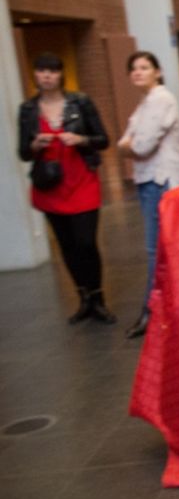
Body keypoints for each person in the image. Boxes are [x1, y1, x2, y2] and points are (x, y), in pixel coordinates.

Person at [16, 52, 116, 324]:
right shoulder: (28, 109)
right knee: (67, 245)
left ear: (61, 75)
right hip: (49, 185)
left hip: (81, 180)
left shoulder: (80, 102)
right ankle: (83, 297)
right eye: (41, 70)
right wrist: (35, 145)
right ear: (35, 75)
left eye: (52, 71)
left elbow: (102, 140)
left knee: (86, 242)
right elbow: (23, 152)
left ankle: (98, 297)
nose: (47, 76)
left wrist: (81, 138)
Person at [117, 51, 179, 339]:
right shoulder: (145, 103)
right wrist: (128, 143)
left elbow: (140, 145)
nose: (138, 72)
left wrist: (127, 145)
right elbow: (127, 139)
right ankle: (163, 309)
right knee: (160, 249)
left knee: (156, 250)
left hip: (161, 181)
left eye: (144, 67)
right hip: (149, 179)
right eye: (133, 68)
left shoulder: (161, 99)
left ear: (157, 72)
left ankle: (152, 312)